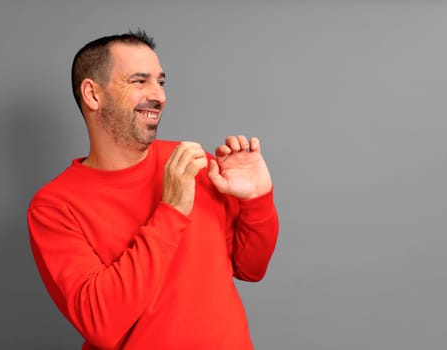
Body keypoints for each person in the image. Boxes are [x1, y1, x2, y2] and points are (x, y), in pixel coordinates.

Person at [27, 29, 278, 350]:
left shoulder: (192, 162)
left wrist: (257, 200)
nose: (158, 95)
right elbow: (100, 324)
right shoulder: (54, 206)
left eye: (160, 82)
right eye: (138, 81)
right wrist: (171, 210)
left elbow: (250, 268)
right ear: (92, 94)